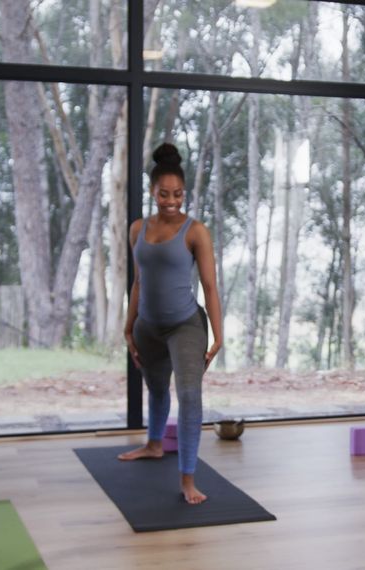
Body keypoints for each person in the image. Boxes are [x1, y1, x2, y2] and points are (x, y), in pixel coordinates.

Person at [118, 142, 224, 505]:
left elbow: (209, 287)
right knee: (157, 388)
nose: (171, 200)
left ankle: (188, 479)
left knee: (190, 396)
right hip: (148, 325)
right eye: (164, 194)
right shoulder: (137, 229)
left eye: (178, 194)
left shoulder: (196, 232)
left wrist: (218, 335)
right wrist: (128, 325)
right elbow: (138, 282)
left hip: (186, 325)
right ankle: (153, 444)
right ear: (152, 192)